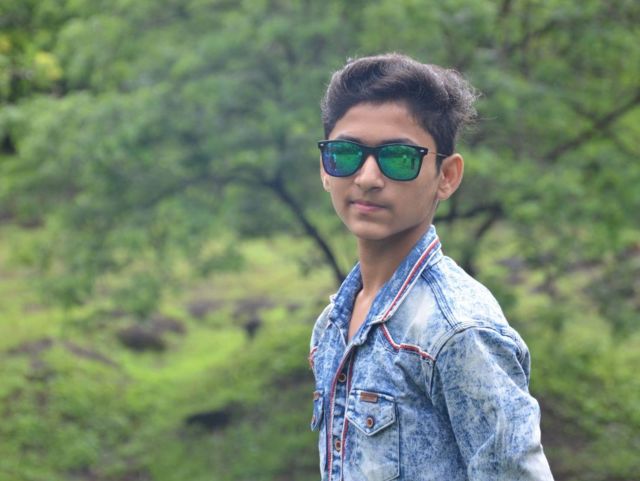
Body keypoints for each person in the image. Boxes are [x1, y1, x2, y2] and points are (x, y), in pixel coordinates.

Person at [309, 53, 554, 481]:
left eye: (398, 158)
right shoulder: (332, 324)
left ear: (447, 176)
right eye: (346, 153)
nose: (367, 177)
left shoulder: (458, 331)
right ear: (325, 169)